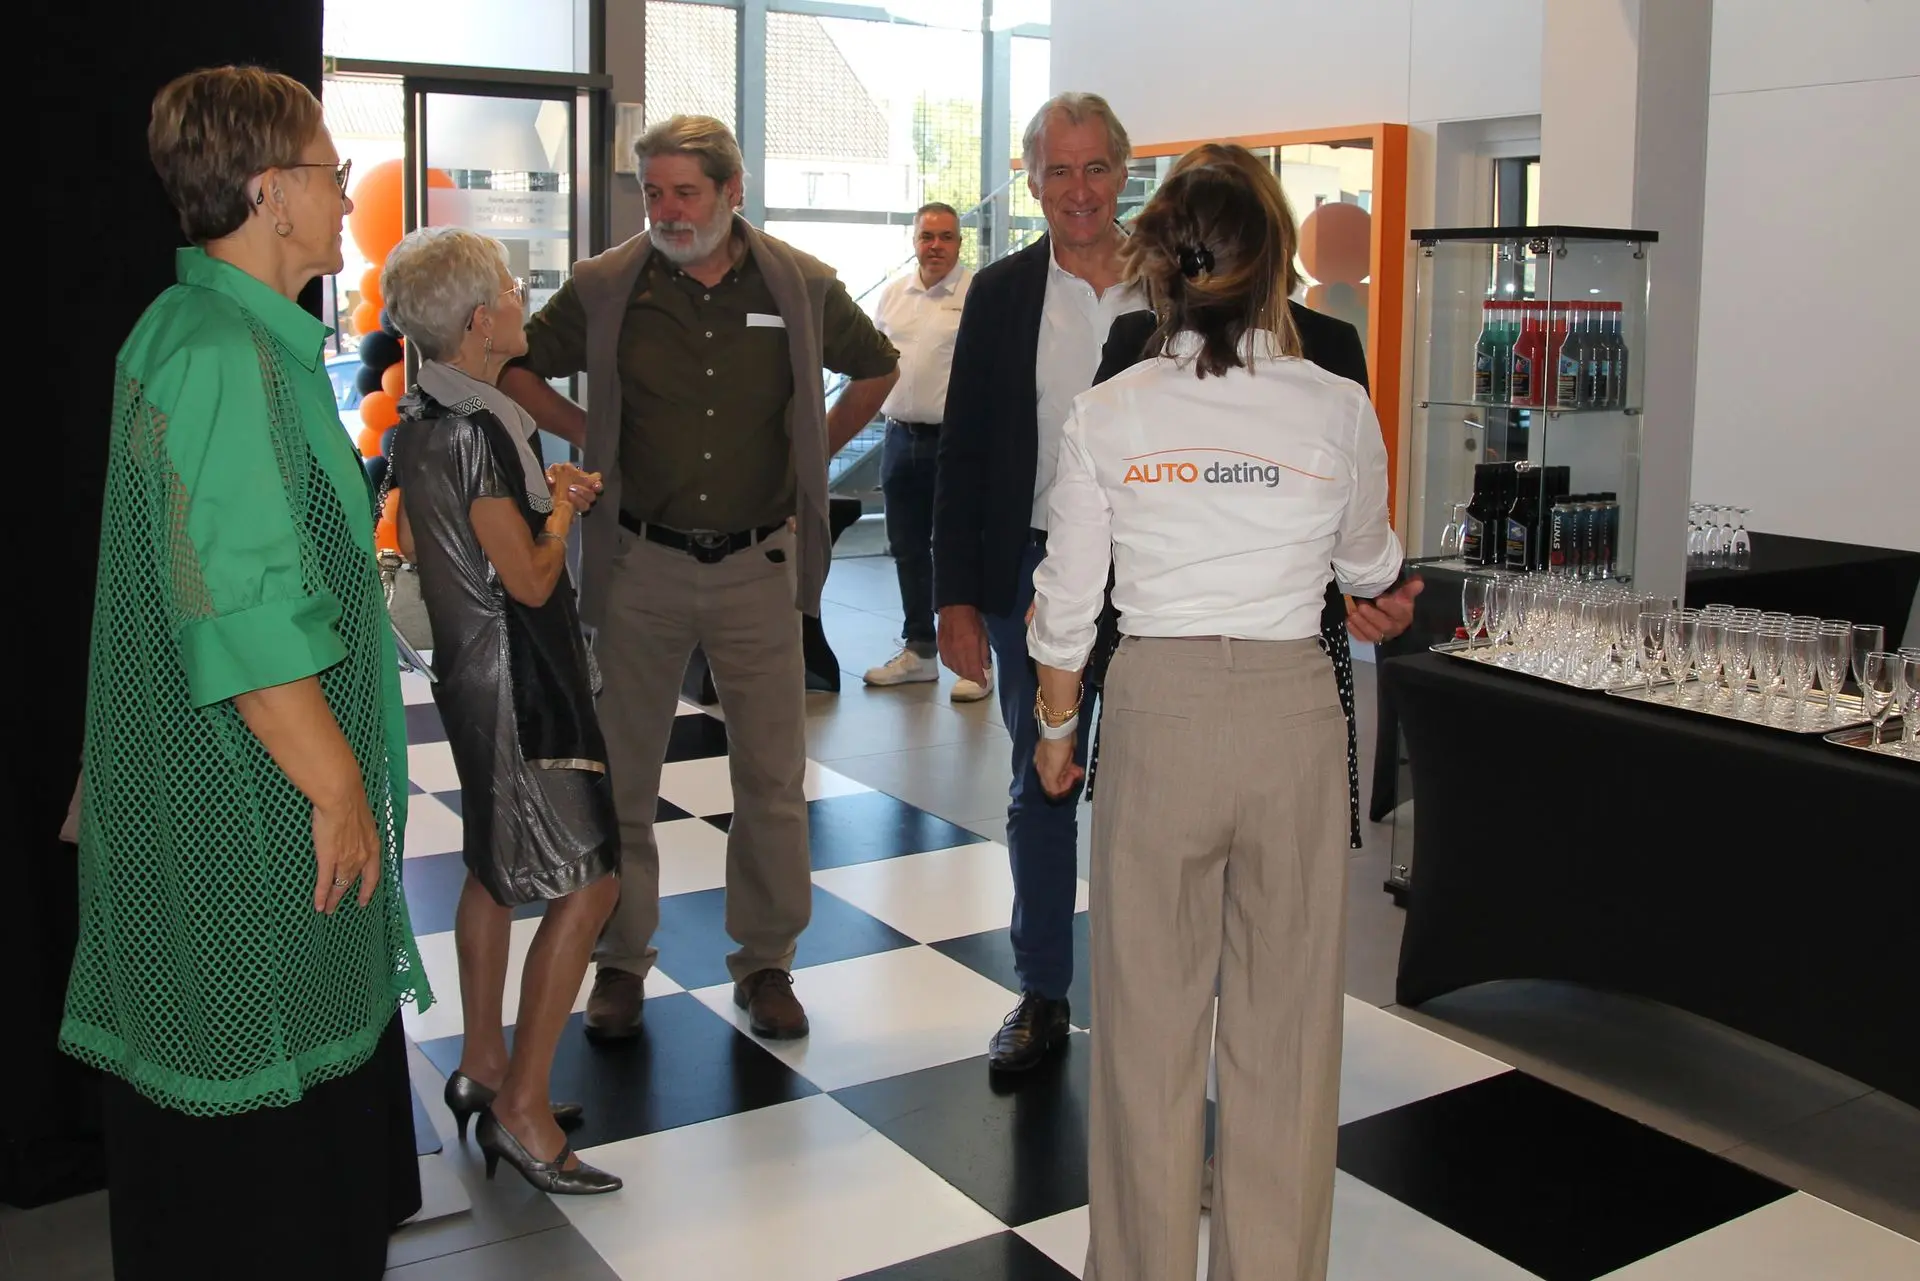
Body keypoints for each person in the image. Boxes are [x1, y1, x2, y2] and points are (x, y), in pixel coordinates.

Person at [62, 66, 431, 1280]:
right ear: (271, 192)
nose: (346, 198)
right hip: (251, 811)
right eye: (331, 172)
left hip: (247, 798)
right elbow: (243, 612)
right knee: (262, 1174)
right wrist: (337, 785)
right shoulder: (220, 350)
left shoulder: (224, 334)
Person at [1029, 157, 1404, 1281]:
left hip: (1158, 713)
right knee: (1286, 1033)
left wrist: (1057, 732)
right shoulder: (1336, 405)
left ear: (1158, 271)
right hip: (1294, 714)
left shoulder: (1109, 410)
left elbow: (1066, 607)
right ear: (1275, 268)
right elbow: (1369, 565)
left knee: (1146, 1029)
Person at [500, 115, 899, 1043]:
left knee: (771, 777)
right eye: (654, 193)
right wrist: (591, 439)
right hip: (639, 563)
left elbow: (877, 369)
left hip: (759, 567)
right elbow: (516, 367)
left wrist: (810, 459)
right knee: (624, 777)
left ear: (732, 191)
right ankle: (619, 961)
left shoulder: (800, 283)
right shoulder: (608, 285)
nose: (668, 211)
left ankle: (765, 962)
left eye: (686, 192)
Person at [1093, 144, 1422, 857]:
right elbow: (1107, 500)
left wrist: (1373, 596)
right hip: (1157, 636)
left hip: (1295, 641)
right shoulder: (1134, 340)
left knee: (1279, 879)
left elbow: (1349, 514)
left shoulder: (1330, 344)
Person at [382, 227, 623, 1194]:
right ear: (482, 321)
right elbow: (527, 579)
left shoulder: (422, 416)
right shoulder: (480, 431)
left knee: (492, 868)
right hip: (523, 682)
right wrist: (562, 506)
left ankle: (483, 1063)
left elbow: (442, 551)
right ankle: (522, 1106)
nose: (524, 301)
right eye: (513, 292)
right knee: (592, 882)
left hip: (471, 675)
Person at [931, 91, 1143, 1071]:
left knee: (1154, 792)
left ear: (1124, 172)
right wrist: (954, 597)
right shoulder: (1004, 293)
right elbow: (964, 450)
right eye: (1059, 171)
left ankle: (1151, 999)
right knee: (1042, 784)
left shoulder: (1178, 287)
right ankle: (1044, 992)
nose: (1079, 190)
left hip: (1157, 582)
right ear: (1031, 181)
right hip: (1033, 572)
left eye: (1095, 168)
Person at [862, 202, 988, 702]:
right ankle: (919, 650)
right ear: (914, 241)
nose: (936, 246)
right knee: (907, 547)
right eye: (927, 237)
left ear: (960, 242)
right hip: (898, 438)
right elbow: (874, 364)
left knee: (962, 550)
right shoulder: (894, 294)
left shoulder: (978, 293)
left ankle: (977, 662)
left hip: (955, 442)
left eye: (946, 237)